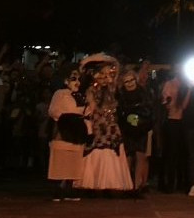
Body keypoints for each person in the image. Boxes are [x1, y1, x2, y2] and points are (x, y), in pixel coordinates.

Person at [78, 56, 132, 196]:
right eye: (102, 73)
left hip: (111, 125)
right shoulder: (91, 89)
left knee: (111, 150)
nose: (106, 77)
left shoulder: (111, 88)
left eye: (108, 73)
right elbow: (93, 107)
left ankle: (111, 183)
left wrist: (110, 62)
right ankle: (96, 183)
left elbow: (117, 72)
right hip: (99, 124)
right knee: (99, 150)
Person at [46, 66, 87, 200]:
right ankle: (56, 188)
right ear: (66, 81)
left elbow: (85, 111)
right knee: (60, 159)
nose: (77, 82)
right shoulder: (60, 93)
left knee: (74, 159)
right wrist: (65, 119)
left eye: (78, 79)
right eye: (73, 79)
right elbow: (53, 110)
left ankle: (69, 187)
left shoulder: (80, 95)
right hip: (64, 128)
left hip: (76, 130)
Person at [116, 66, 154, 196]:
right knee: (127, 156)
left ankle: (137, 186)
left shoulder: (143, 93)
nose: (130, 83)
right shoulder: (121, 95)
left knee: (140, 156)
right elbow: (119, 113)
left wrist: (140, 119)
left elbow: (149, 110)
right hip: (126, 129)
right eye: (127, 81)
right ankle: (126, 184)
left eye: (131, 80)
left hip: (141, 128)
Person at [157, 69, 187, 193]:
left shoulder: (188, 85)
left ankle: (181, 182)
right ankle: (168, 183)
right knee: (170, 153)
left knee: (183, 154)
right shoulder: (170, 84)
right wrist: (168, 102)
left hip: (184, 122)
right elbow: (165, 101)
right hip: (172, 120)